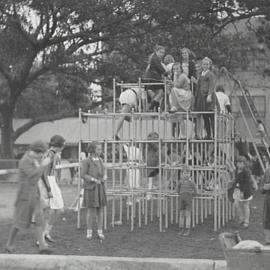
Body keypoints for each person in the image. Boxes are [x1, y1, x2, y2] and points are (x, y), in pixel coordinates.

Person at [5, 141, 52, 254]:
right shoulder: (24, 161)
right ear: (36, 151)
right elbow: (33, 174)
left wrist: (43, 166)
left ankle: (42, 246)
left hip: (35, 194)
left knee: (39, 220)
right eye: (41, 153)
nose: (42, 156)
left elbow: (41, 174)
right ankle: (9, 245)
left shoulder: (37, 160)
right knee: (18, 222)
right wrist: (43, 165)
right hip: (24, 196)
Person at [39, 135, 66, 244]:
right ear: (59, 145)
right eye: (62, 144)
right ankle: (40, 237)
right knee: (47, 210)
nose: (63, 146)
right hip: (47, 182)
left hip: (52, 180)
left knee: (59, 209)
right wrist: (49, 189)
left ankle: (46, 233)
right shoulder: (49, 154)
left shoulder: (54, 154)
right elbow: (43, 173)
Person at [81, 142, 107, 240]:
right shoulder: (86, 161)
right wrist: (93, 179)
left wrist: (104, 176)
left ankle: (100, 232)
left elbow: (103, 172)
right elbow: (83, 175)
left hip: (100, 188)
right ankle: (89, 232)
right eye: (98, 149)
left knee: (100, 210)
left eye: (101, 149)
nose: (100, 151)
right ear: (92, 150)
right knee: (90, 211)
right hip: (91, 189)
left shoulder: (100, 160)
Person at [194, 57, 216, 139]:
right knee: (205, 116)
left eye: (207, 64)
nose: (205, 66)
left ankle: (214, 134)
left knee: (211, 115)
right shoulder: (201, 74)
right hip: (201, 97)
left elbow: (211, 85)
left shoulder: (210, 74)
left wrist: (210, 95)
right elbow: (199, 85)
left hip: (207, 96)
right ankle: (209, 134)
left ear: (209, 65)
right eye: (204, 64)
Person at [143, 44, 168, 111]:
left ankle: (155, 106)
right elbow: (160, 68)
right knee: (161, 91)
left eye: (163, 53)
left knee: (160, 92)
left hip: (150, 78)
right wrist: (166, 73)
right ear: (156, 51)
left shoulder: (153, 58)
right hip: (152, 79)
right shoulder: (155, 58)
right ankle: (152, 106)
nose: (161, 54)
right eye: (160, 52)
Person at [232, 156, 253, 228]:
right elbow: (236, 180)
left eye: (241, 163)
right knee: (236, 204)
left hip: (245, 190)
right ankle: (241, 218)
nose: (239, 164)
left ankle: (246, 221)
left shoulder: (246, 172)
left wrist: (242, 192)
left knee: (245, 205)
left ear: (244, 164)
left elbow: (247, 183)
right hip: (237, 189)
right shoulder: (236, 170)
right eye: (238, 163)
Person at [177, 165, 197, 236]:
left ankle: (188, 229)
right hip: (181, 199)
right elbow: (177, 189)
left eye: (188, 173)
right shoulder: (180, 182)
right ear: (182, 174)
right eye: (185, 173)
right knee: (181, 214)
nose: (186, 175)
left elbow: (195, 190)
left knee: (188, 214)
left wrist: (193, 195)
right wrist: (179, 193)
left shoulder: (191, 182)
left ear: (190, 174)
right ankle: (181, 228)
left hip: (188, 199)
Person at [261, 166, 270, 244]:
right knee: (267, 219)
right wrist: (264, 188)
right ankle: (268, 241)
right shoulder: (267, 171)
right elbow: (261, 188)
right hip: (268, 200)